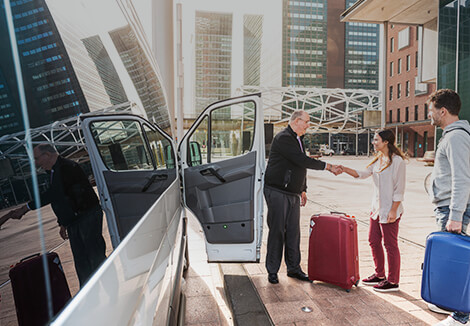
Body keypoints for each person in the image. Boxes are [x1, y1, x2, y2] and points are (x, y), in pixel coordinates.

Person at [5, 144, 106, 287]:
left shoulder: (66, 167)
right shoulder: (56, 170)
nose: (36, 163)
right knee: (82, 261)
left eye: (37, 158)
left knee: (94, 257)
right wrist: (62, 222)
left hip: (86, 217)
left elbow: (54, 194)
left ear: (47, 155)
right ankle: (88, 295)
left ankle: (108, 288)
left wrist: (25, 208)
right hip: (76, 220)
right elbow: (64, 198)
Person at [264, 110, 341, 284]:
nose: (308, 125)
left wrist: (302, 188)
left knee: (293, 232)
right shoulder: (284, 137)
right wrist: (328, 166)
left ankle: (293, 269)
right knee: (277, 231)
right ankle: (272, 271)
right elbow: (301, 160)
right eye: (306, 122)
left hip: (292, 192)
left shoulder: (298, 139)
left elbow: (299, 166)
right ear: (297, 121)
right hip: (277, 191)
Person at [340, 129, 406, 292]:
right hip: (376, 210)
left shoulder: (397, 162)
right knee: (373, 240)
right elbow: (362, 174)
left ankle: (393, 281)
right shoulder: (378, 160)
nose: (373, 142)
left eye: (376, 140)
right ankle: (380, 274)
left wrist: (393, 210)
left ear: (386, 142)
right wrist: (343, 168)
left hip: (390, 210)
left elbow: (399, 190)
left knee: (390, 245)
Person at [425, 89, 470, 326]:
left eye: (431, 110)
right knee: (451, 259)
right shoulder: (452, 135)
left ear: (442, 111)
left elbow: (462, 179)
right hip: (446, 207)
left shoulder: (456, 137)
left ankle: (461, 318)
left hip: (451, 210)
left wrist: (455, 215)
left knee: (456, 262)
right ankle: (451, 304)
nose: (429, 115)